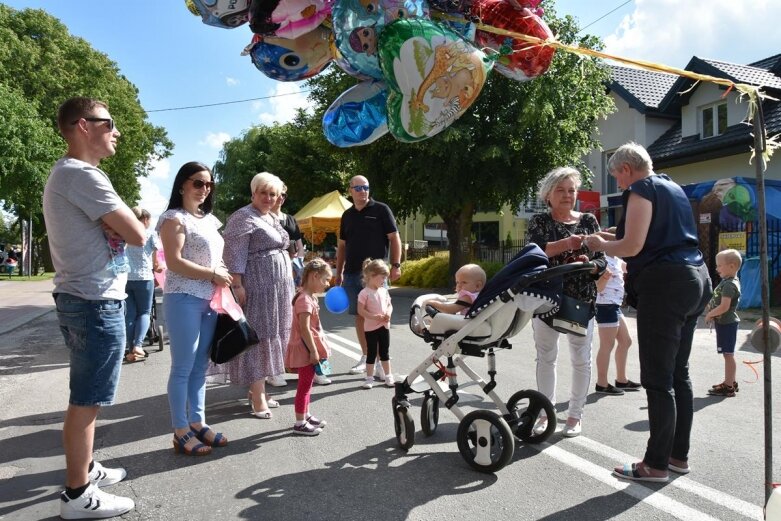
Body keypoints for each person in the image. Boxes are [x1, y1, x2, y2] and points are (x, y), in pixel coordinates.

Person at [44, 97, 146, 519]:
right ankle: (77, 495)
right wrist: (123, 218)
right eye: (109, 124)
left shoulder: (74, 175)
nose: (116, 132)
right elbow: (138, 233)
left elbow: (124, 227)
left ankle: (85, 469)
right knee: (87, 401)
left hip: (86, 298)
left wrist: (117, 220)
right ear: (84, 126)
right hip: (93, 301)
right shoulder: (82, 175)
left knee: (88, 398)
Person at [585, 142, 711, 482]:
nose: (619, 185)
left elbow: (632, 246)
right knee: (678, 374)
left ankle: (654, 465)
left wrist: (600, 245)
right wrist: (612, 235)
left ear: (626, 169)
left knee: (657, 379)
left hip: (665, 284)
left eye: (616, 178)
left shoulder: (641, 188)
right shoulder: (672, 187)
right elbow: (650, 234)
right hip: (695, 276)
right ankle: (677, 457)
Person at [157, 161, 232, 456]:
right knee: (183, 366)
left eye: (209, 184)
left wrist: (222, 274)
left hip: (210, 299)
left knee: (201, 365)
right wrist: (213, 274)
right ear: (182, 185)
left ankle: (197, 422)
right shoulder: (174, 218)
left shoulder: (209, 221)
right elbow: (173, 262)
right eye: (198, 183)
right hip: (183, 296)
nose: (205, 189)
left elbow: (214, 258)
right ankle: (180, 430)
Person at [526, 166, 606, 438]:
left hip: (581, 299)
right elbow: (535, 253)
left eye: (571, 190)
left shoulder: (588, 221)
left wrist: (590, 265)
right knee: (546, 358)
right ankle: (543, 413)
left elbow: (602, 258)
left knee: (580, 359)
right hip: (547, 299)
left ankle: (574, 416)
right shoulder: (540, 221)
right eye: (560, 190)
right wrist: (568, 244)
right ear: (548, 195)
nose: (567, 195)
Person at [209, 172, 294, 418]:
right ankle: (257, 396)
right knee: (259, 337)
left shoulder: (269, 217)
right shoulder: (243, 217)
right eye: (263, 192)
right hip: (257, 287)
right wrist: (237, 285)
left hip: (278, 288)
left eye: (273, 194)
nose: (268, 197)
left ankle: (261, 390)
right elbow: (233, 254)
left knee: (272, 334)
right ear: (253, 193)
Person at [336, 175, 402, 378]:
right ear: (350, 191)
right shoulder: (346, 215)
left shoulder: (381, 209)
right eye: (358, 188)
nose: (362, 191)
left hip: (376, 274)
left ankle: (382, 362)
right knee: (360, 315)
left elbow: (394, 238)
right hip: (352, 273)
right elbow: (342, 246)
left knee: (381, 316)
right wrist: (338, 273)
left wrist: (396, 265)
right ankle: (366, 357)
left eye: (365, 187)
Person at [285, 258, 333, 435]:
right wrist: (313, 351)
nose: (327, 284)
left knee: (308, 384)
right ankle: (299, 423)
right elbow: (304, 328)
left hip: (310, 347)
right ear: (314, 276)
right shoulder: (304, 300)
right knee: (304, 386)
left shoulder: (308, 297)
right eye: (325, 279)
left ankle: (305, 414)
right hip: (306, 349)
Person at [593, 231, 640, 395]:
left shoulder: (616, 260)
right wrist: (604, 278)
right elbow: (596, 288)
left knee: (626, 341)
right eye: (620, 241)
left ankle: (622, 379)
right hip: (605, 304)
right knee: (607, 344)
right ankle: (602, 383)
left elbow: (634, 267)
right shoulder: (601, 261)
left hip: (615, 305)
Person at [124, 207, 161, 363]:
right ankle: (138, 345)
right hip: (145, 278)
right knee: (145, 312)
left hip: (126, 278)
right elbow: (156, 261)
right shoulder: (150, 234)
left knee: (130, 314)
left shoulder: (124, 233)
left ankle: (130, 346)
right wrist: (158, 268)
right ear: (145, 219)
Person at [704, 249, 742, 398]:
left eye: (720, 265)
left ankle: (728, 386)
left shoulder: (729, 285)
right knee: (727, 354)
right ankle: (731, 381)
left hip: (727, 323)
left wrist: (710, 314)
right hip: (724, 323)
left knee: (728, 354)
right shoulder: (727, 282)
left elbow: (725, 306)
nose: (716, 268)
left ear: (731, 266)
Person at [357, 259, 395, 389]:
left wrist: (388, 313)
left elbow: (389, 305)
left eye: (385, 278)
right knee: (371, 353)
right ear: (372, 276)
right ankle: (369, 378)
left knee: (385, 352)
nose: (384, 280)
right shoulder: (364, 293)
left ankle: (389, 375)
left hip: (384, 326)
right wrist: (374, 317)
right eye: (382, 277)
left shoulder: (384, 291)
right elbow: (360, 310)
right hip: (371, 328)